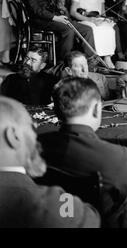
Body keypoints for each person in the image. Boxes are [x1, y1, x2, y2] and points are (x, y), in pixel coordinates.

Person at [39, 77, 127, 228]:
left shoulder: (35, 146)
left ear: (56, 109)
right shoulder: (116, 155)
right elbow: (124, 193)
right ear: (96, 109)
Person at [0, 96, 101, 228]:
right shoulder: (51, 205)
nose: (35, 131)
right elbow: (90, 218)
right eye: (31, 125)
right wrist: (66, 196)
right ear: (13, 136)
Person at [22, 0, 96, 60]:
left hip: (56, 18)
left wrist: (61, 10)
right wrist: (55, 18)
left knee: (87, 29)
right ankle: (65, 61)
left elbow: (56, 3)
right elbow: (36, 10)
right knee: (68, 30)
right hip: (40, 21)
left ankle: (90, 60)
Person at [70, 0, 117, 69]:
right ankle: (96, 58)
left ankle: (107, 57)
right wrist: (89, 19)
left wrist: (105, 19)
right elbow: (73, 12)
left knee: (108, 28)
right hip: (84, 20)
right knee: (94, 29)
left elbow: (103, 13)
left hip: (97, 19)